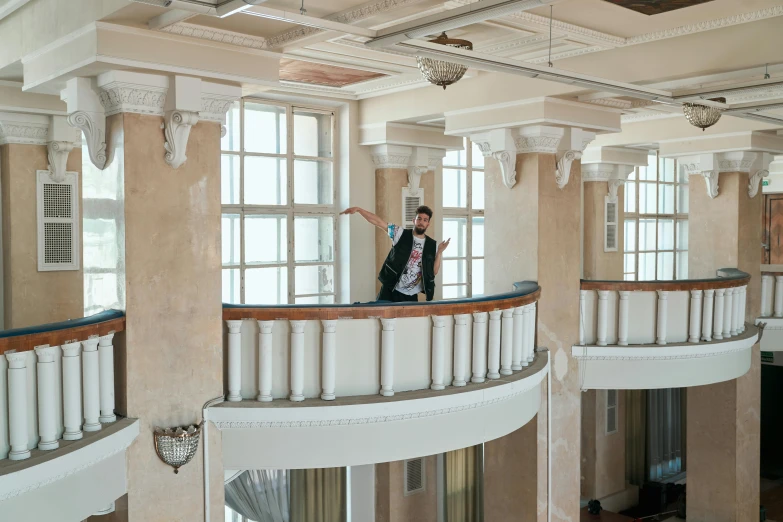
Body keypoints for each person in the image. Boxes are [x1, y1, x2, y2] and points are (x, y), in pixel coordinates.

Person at [340, 205, 449, 302]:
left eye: (425, 220)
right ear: (414, 220)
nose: (421, 222)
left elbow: (433, 272)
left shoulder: (432, 245)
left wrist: (439, 252)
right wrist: (359, 209)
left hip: (410, 295)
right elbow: (378, 222)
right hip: (391, 289)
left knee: (406, 324)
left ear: (428, 224)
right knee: (381, 320)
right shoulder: (400, 233)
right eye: (419, 218)